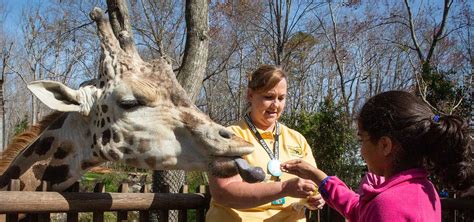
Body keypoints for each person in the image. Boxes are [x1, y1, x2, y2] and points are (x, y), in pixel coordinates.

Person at [281, 90, 473, 221]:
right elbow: (360, 211)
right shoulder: (423, 189)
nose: (361, 151)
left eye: (362, 140)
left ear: (385, 145)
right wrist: (317, 175)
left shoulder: (389, 205)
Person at [206, 65, 325, 222]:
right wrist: (284, 188)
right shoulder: (229, 137)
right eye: (269, 97)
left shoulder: (297, 139)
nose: (276, 105)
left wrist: (316, 197)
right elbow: (224, 193)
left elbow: (315, 184)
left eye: (281, 98)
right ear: (250, 95)